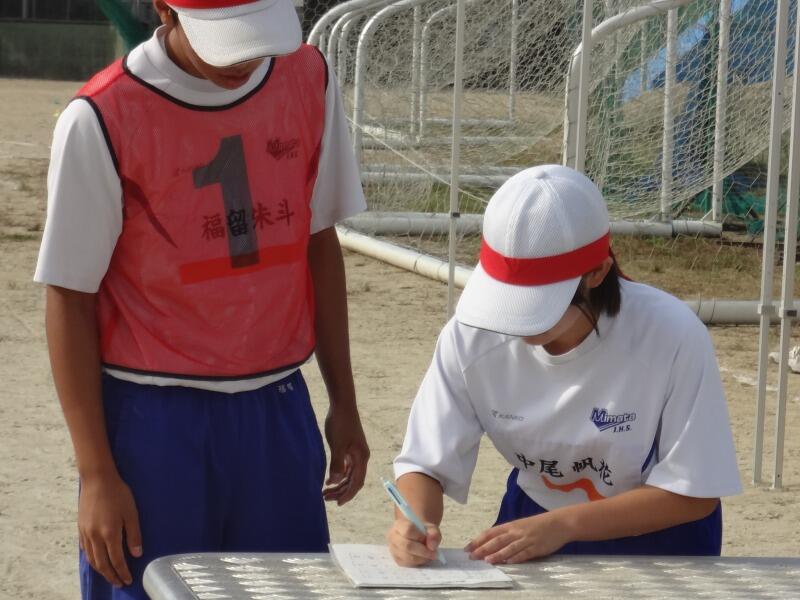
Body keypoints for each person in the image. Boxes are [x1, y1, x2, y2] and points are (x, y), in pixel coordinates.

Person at [34, 1, 370, 598]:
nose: (244, 59)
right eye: (225, 38)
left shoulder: (307, 77)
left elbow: (319, 241)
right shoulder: (103, 116)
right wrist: (96, 472)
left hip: (276, 403)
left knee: (284, 589)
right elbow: (69, 294)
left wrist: (344, 400)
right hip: (152, 415)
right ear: (165, 9)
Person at [387, 164, 742, 566]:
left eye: (536, 306)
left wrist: (564, 525)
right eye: (505, 300)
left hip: (659, 535)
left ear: (597, 273)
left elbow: (694, 492)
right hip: (535, 517)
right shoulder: (472, 335)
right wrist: (412, 523)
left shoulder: (671, 335)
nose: (515, 323)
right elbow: (424, 462)